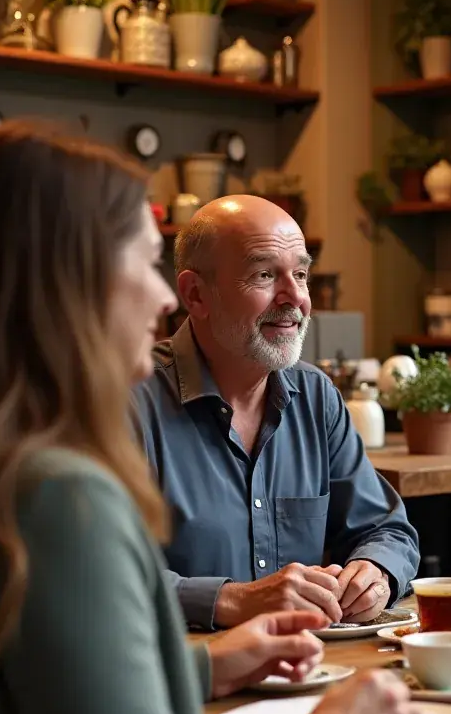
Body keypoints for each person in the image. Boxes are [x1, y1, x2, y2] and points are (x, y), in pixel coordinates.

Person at [0, 123, 451, 714]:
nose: (160, 300)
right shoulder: (59, 497)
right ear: (63, 284)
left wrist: (201, 667)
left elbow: (31, 698)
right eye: (139, 262)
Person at [132, 193, 419, 632]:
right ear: (195, 295)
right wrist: (233, 600)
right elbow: (95, 578)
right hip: (185, 669)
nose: (295, 298)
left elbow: (386, 530)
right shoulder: (128, 402)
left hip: (309, 664)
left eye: (300, 274)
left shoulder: (315, 396)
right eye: (264, 275)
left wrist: (374, 573)